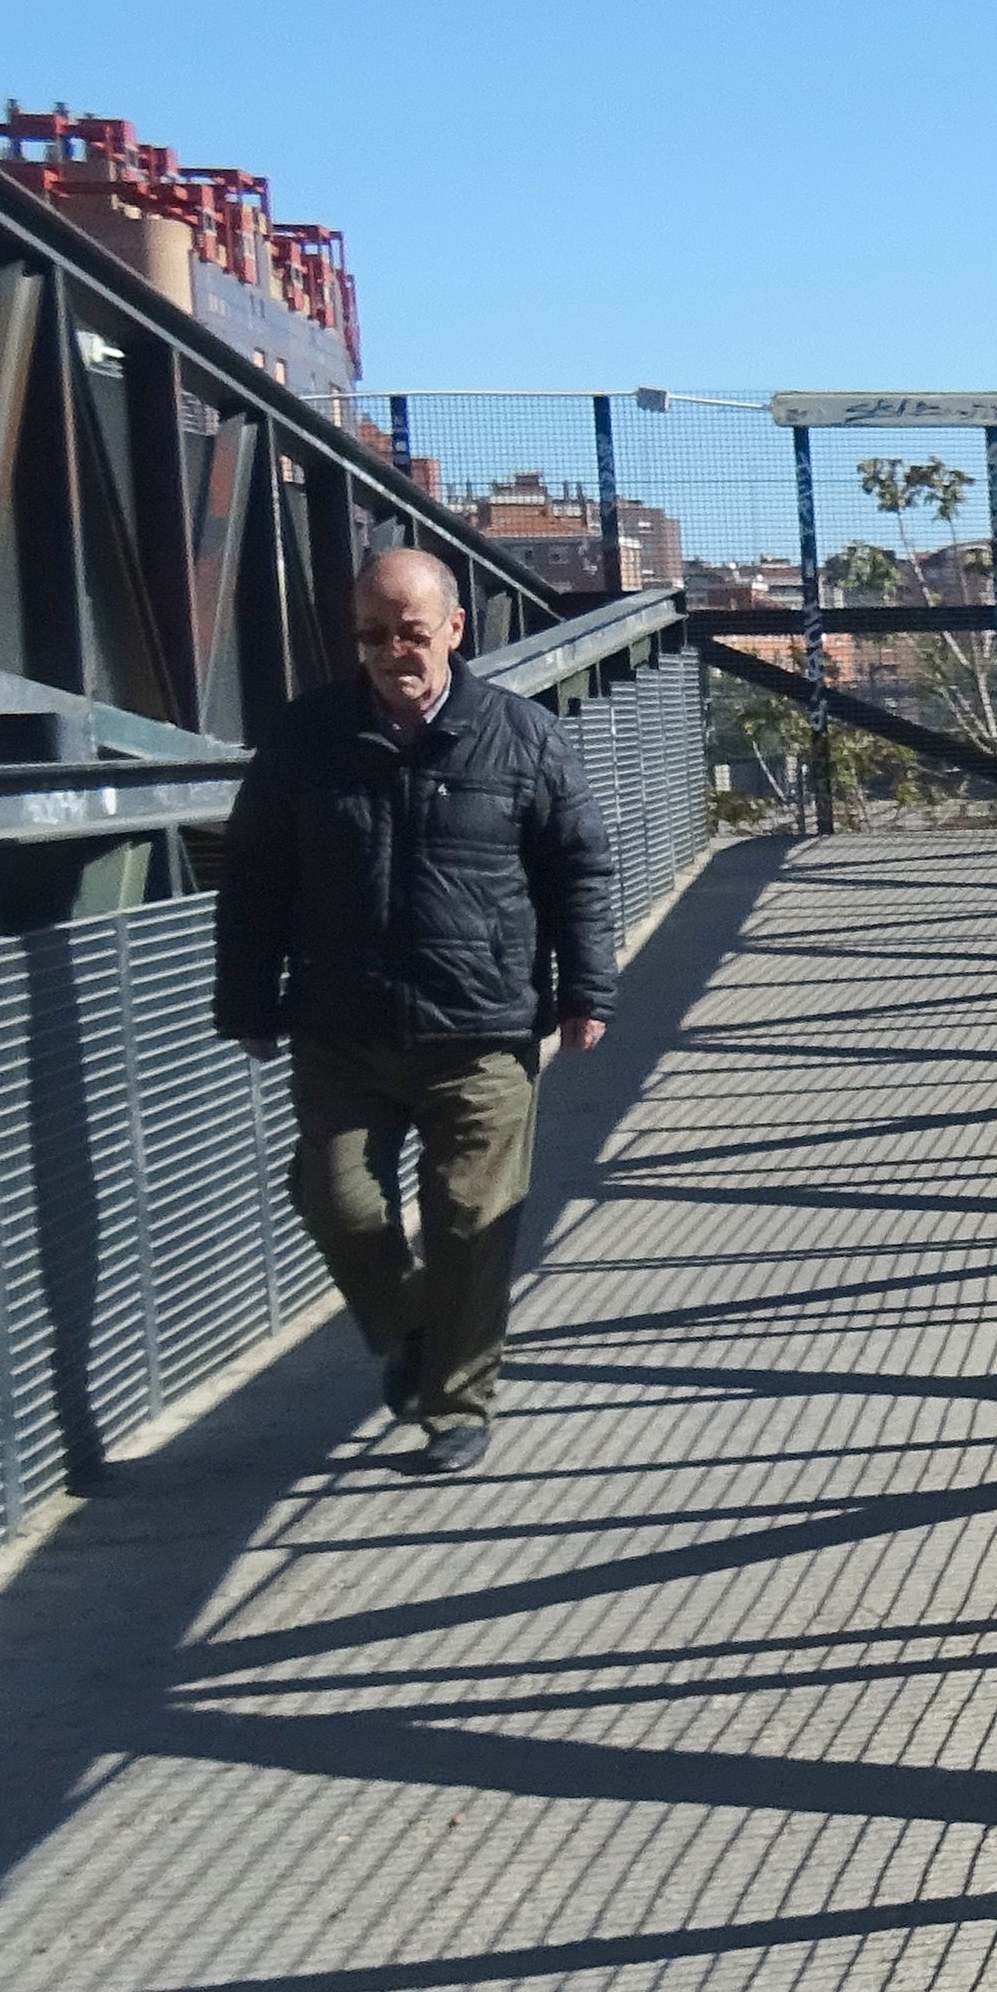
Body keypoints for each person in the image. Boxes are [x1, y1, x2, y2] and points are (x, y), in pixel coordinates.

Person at [215, 549, 616, 1476]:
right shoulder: (305, 739)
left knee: (471, 1217)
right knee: (337, 1200)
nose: (393, 649)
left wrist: (588, 990)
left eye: (409, 630)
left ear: (453, 630)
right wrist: (246, 1000)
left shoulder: (520, 737)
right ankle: (412, 1330)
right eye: (371, 633)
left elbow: (578, 868)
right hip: (340, 1027)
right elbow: (253, 878)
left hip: (480, 1029)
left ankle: (457, 1406)